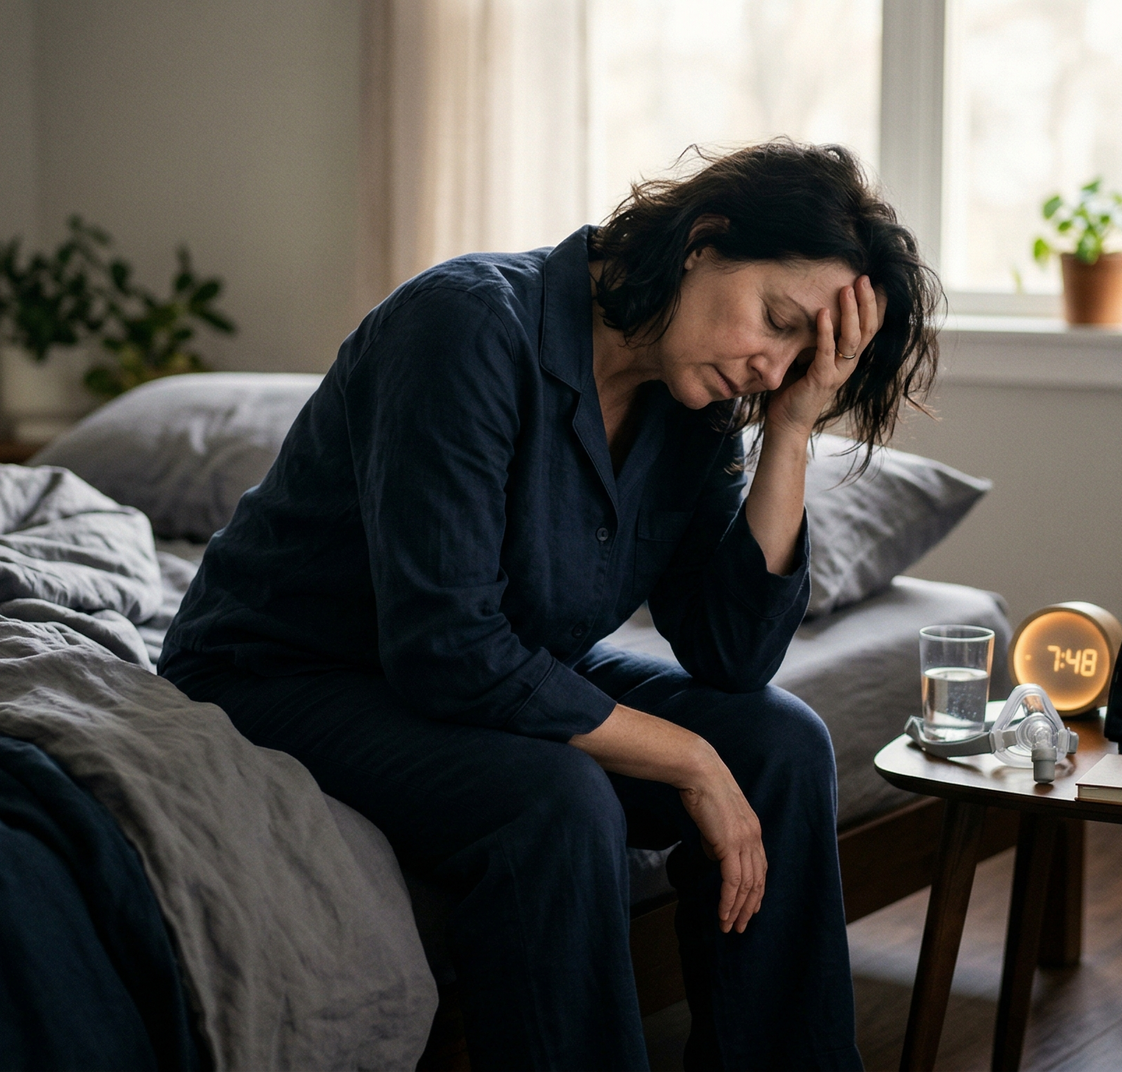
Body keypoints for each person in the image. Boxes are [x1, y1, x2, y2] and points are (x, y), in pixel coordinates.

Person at [159, 140, 939, 1071]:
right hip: (287, 673)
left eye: (803, 355)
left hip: (487, 674)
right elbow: (446, 644)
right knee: (559, 802)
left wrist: (793, 428)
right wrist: (687, 759)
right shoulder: (465, 325)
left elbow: (732, 652)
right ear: (704, 242)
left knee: (779, 744)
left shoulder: (695, 409)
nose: (773, 366)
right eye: (776, 321)